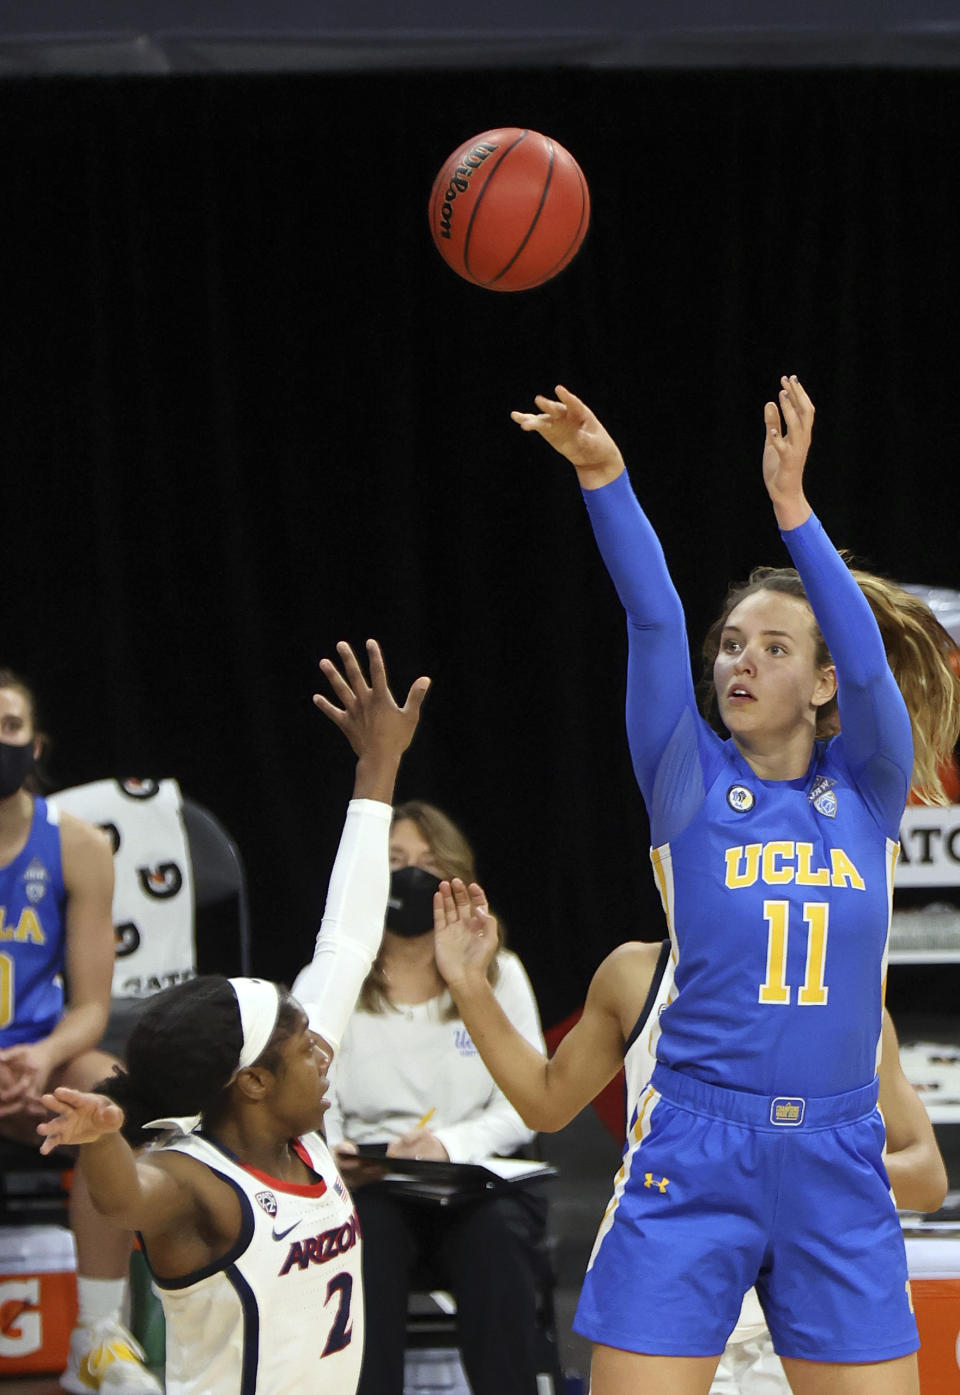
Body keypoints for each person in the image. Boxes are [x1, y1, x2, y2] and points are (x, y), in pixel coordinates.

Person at [453, 377, 958, 1395]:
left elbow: (869, 669)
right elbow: (651, 617)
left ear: (819, 685)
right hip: (695, 1146)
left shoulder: (863, 791)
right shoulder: (687, 781)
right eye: (732, 643)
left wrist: (794, 513)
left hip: (836, 1155)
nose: (742, 660)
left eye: (775, 648)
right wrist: (604, 477)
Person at [35, 639, 429, 1395]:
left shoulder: (295, 1124)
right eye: (301, 1047)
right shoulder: (195, 1180)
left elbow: (346, 941)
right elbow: (124, 1197)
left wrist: (376, 771)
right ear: (250, 1080)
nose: (323, 1051)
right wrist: (105, 1140)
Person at [432, 896, 949, 1394]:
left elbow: (927, 1178)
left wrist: (811, 1170)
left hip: (806, 1299)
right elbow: (546, 1104)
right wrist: (470, 985)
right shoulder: (637, 973)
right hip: (670, 1283)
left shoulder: (843, 984)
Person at [310, 799, 548, 1395]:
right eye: (393, 861)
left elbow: (526, 1103)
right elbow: (311, 1101)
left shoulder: (502, 975)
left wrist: (445, 1145)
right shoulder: (330, 982)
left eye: (427, 861)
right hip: (369, 1186)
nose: (411, 876)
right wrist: (334, 1153)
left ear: (456, 877)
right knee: (366, 1237)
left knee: (496, 1240)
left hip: (474, 1182)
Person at [0, 667, 162, 1394]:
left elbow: (92, 1007)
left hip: (39, 1062)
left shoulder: (78, 845)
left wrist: (42, 1056)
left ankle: (97, 1337)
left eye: (8, 725)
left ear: (36, 744)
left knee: (102, 1092)